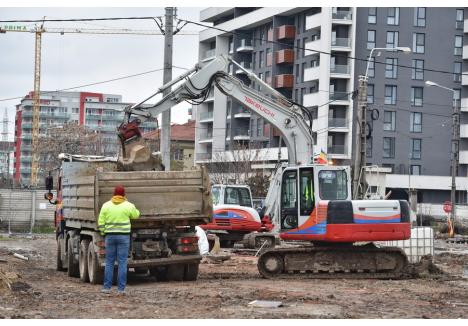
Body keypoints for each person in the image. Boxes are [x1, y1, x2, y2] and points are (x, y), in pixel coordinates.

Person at [98, 185, 140, 295]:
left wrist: (103, 232)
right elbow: (136, 215)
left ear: (114, 194)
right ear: (123, 194)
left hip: (110, 237)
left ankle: (107, 288)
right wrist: (133, 208)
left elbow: (101, 221)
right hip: (124, 237)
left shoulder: (106, 205)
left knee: (109, 262)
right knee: (122, 263)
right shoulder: (128, 205)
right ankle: (121, 290)